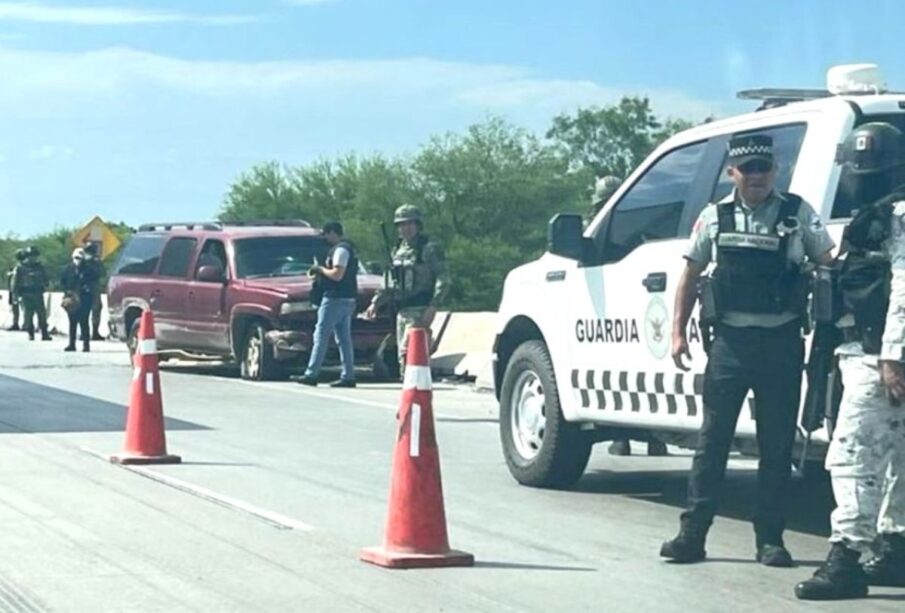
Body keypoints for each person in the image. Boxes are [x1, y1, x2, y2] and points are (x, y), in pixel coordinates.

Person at [661, 133, 835, 567]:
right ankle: (692, 535)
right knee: (712, 443)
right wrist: (677, 333)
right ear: (732, 172)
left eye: (764, 168)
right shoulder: (714, 216)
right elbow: (690, 275)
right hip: (731, 346)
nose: (757, 176)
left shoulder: (798, 214)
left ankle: (770, 540)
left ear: (775, 171)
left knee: (777, 447)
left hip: (781, 344)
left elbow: (829, 261)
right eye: (748, 169)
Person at [795, 122, 905, 600]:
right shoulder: (878, 214)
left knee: (852, 455)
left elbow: (903, 288)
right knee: (898, 456)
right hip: (868, 349)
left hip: (876, 352)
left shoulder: (896, 215)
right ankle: (895, 548)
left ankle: (846, 558)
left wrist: (892, 355)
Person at [365, 204, 449, 375]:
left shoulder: (428, 249)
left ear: (418, 225)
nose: (406, 228)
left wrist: (434, 306)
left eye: (410, 224)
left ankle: (417, 389)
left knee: (409, 351)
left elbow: (444, 278)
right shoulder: (398, 250)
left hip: (420, 308)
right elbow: (388, 281)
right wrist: (375, 303)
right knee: (403, 358)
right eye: (402, 225)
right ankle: (410, 389)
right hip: (401, 310)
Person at [294, 221, 359, 387]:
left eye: (326, 234)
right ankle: (348, 375)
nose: (324, 238)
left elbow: (337, 274)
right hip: (348, 299)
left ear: (332, 233)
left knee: (321, 336)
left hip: (335, 299)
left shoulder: (341, 250)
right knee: (344, 339)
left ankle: (311, 374)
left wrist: (320, 270)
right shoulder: (348, 249)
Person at [60, 248, 97, 352]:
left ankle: (86, 345)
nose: (78, 260)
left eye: (80, 258)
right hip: (72, 298)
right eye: (76, 258)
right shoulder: (67, 269)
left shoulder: (89, 270)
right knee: (72, 322)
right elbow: (62, 282)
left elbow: (94, 281)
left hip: (85, 298)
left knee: (84, 322)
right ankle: (71, 344)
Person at [13, 245, 51, 341]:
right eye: (31, 255)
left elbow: (45, 278)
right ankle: (30, 333)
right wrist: (16, 295)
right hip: (26, 294)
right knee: (28, 315)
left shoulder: (39, 267)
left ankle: (44, 333)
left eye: (34, 256)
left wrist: (47, 284)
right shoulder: (20, 268)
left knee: (42, 314)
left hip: (38, 293)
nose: (33, 258)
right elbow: (15, 282)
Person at [83, 242, 106, 341]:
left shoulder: (81, 260)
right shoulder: (96, 261)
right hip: (94, 287)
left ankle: (85, 333)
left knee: (84, 311)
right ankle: (94, 333)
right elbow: (102, 273)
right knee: (96, 309)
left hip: (82, 287)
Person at [5, 249, 25, 331]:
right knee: (15, 308)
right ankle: (15, 323)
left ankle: (25, 324)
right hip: (14, 290)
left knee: (24, 308)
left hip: (21, 290)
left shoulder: (23, 267)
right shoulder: (17, 266)